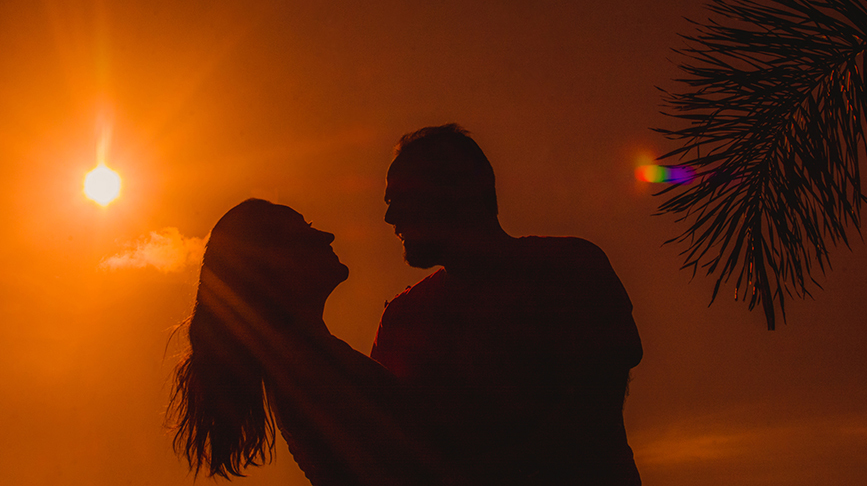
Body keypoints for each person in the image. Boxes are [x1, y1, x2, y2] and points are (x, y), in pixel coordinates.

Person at [372, 124, 643, 485]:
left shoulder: (568, 267)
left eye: (401, 197)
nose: (391, 217)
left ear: (461, 187)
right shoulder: (402, 319)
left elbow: (591, 410)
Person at [168, 198, 445, 486]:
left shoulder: (305, 361)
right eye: (306, 229)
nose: (328, 236)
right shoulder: (309, 370)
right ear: (277, 263)